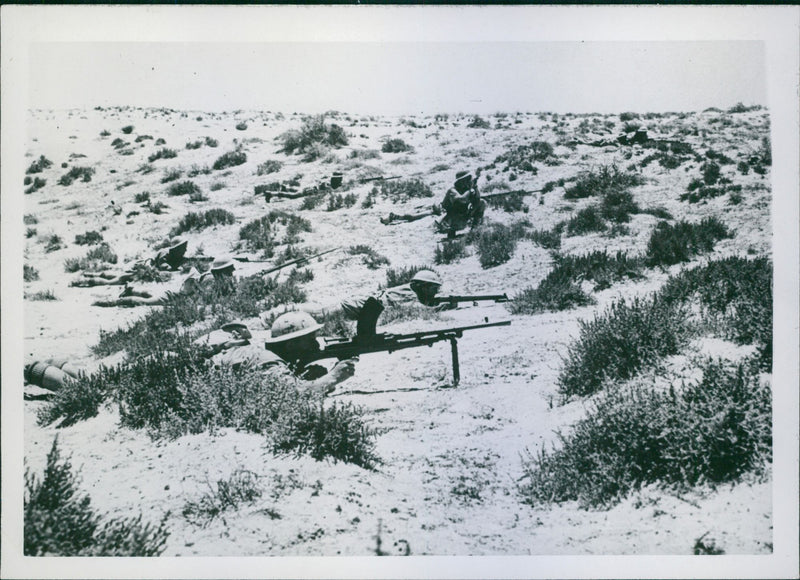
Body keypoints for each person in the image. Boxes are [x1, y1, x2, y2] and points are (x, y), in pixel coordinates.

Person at [196, 313, 356, 397]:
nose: (316, 344)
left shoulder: (272, 356)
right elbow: (293, 393)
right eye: (310, 339)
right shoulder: (268, 361)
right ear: (290, 344)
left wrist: (304, 375)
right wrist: (333, 377)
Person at [337, 269, 446, 337]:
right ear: (423, 286)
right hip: (350, 307)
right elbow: (417, 310)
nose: (436, 292)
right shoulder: (409, 294)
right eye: (434, 288)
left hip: (354, 307)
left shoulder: (411, 291)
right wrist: (443, 306)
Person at [72, 238, 189, 287]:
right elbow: (165, 267)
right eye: (183, 248)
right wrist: (179, 267)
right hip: (142, 269)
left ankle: (89, 275)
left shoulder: (171, 254)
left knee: (116, 276)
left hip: (142, 268)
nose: (185, 250)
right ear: (176, 249)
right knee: (116, 280)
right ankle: (84, 281)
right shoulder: (165, 253)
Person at [434, 170, 486, 237]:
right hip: (451, 220)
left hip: (464, 215)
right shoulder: (452, 190)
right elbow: (462, 199)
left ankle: (474, 229)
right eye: (467, 180)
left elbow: (477, 199)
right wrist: (469, 190)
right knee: (453, 224)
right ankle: (451, 232)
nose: (468, 181)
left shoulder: (466, 189)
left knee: (482, 202)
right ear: (461, 181)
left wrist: (475, 187)